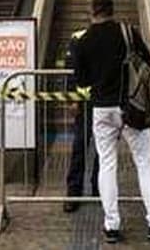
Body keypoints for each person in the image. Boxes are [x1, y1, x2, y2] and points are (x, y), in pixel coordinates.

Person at [73, 0, 150, 244]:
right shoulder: (127, 32)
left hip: (102, 109)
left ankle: (112, 225)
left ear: (91, 12)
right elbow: (149, 63)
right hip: (132, 107)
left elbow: (81, 81)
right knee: (144, 163)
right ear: (112, 10)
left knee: (107, 164)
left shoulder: (83, 41)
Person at [63, 27, 99, 213]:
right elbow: (71, 72)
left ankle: (98, 189)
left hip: (103, 101)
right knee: (79, 146)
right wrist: (73, 99)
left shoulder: (109, 36)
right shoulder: (77, 37)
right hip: (85, 104)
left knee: (103, 149)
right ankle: (73, 192)